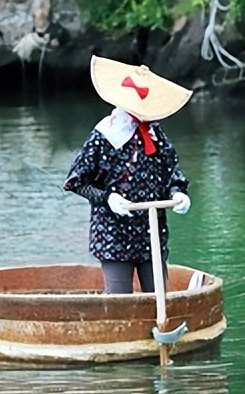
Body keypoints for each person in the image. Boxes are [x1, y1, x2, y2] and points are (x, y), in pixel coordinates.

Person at [63, 55, 193, 294]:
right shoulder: (105, 134)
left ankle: (157, 328)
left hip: (150, 228)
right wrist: (107, 198)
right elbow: (76, 181)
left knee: (158, 294)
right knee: (119, 295)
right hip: (113, 230)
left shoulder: (156, 135)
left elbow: (172, 172)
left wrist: (179, 193)